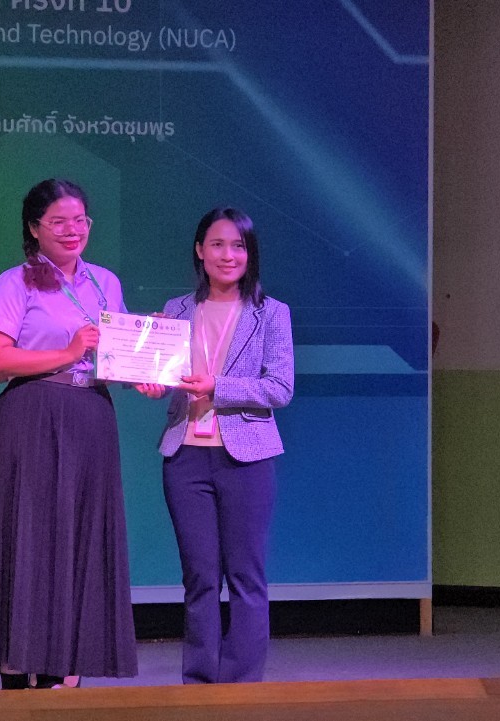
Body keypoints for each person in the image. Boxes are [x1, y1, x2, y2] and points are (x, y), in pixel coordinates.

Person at [0, 178, 138, 690]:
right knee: (28, 537)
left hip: (91, 418)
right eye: (59, 221)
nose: (72, 230)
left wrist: (149, 372)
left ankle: (67, 668)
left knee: (81, 537)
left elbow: (117, 357)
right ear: (34, 228)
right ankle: (17, 666)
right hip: (32, 415)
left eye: (80, 220)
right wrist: (66, 352)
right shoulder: (15, 283)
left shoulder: (105, 282)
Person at [136, 207, 294, 683]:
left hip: (246, 457)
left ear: (250, 254)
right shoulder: (176, 309)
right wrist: (152, 382)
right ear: (200, 251)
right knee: (200, 578)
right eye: (218, 244)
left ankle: (242, 686)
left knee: (246, 577)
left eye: (239, 246)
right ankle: (201, 683)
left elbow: (280, 388)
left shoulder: (272, 313)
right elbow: (162, 374)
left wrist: (217, 387)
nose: (229, 255)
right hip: (185, 456)